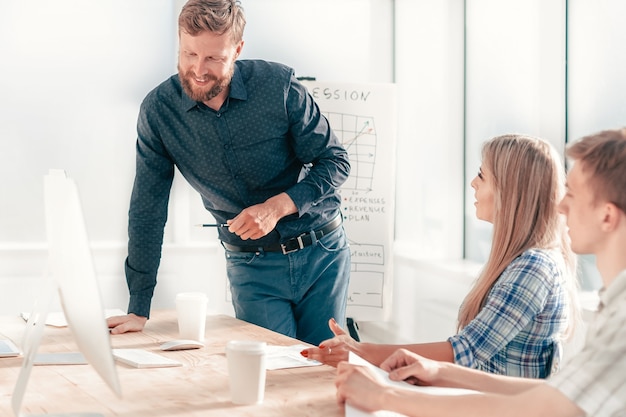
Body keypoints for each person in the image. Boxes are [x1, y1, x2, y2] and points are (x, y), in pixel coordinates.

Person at [106, 0, 351, 346]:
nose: (199, 70)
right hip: (252, 266)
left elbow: (335, 161)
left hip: (322, 253)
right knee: (267, 373)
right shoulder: (159, 111)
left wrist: (278, 206)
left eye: (213, 58)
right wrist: (138, 306)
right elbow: (148, 209)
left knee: (327, 370)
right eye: (189, 54)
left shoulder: (279, 85)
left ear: (237, 50)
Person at [334, 128, 626, 417]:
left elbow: (550, 405)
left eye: (572, 194)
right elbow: (552, 391)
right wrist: (438, 372)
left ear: (607, 216)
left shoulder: (538, 268)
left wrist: (385, 393)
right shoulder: (609, 302)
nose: (561, 204)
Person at [304, 134, 580, 378]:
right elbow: (476, 364)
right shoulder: (525, 260)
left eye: (482, 176)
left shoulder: (533, 267)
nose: (473, 183)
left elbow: (465, 350)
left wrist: (362, 351)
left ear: (511, 191)